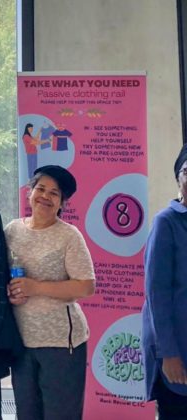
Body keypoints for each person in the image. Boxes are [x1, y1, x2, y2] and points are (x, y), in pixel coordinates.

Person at [5, 165, 95, 420]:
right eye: (40, 189)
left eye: (54, 193)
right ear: (29, 193)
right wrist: (9, 292)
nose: (45, 196)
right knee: (27, 413)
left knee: (60, 415)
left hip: (61, 343)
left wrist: (36, 287)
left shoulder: (69, 236)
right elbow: (1, 275)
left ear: (61, 203)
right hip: (21, 342)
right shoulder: (12, 230)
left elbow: (86, 286)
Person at [142, 144, 187, 419]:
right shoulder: (167, 222)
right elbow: (157, 294)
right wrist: (168, 354)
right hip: (176, 347)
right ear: (178, 179)